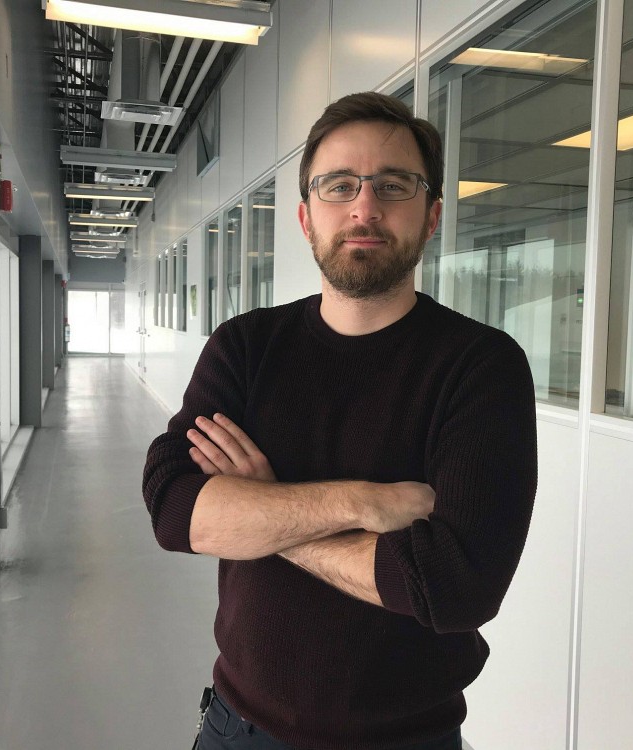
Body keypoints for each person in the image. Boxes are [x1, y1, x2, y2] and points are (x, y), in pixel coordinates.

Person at [143, 91, 537, 750]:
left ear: (432, 215)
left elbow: (455, 588)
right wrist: (360, 504)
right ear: (306, 217)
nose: (364, 207)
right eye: (339, 185)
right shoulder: (246, 347)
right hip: (237, 729)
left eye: (394, 185)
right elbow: (175, 508)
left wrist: (266, 512)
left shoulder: (480, 366)